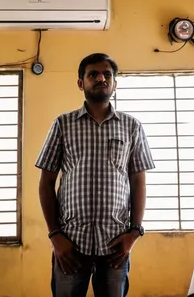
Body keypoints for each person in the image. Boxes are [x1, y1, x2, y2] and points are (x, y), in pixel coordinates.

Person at [35, 53, 155, 297]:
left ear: (114, 84)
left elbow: (138, 181)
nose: (101, 78)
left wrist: (135, 231)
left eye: (107, 74)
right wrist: (55, 236)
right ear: (81, 83)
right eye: (93, 74)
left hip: (115, 243)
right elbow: (46, 182)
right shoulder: (63, 124)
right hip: (70, 242)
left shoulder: (132, 126)